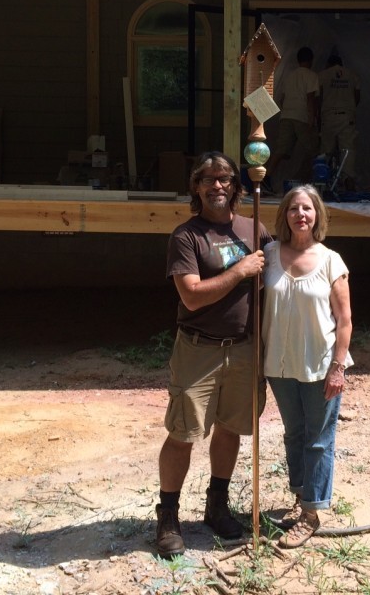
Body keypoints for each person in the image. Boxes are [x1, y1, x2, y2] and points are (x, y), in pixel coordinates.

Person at [156, 150, 273, 558]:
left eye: (225, 178)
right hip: (198, 350)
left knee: (230, 428)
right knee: (183, 434)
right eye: (208, 179)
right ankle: (168, 515)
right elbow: (190, 296)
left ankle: (216, 504)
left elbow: (281, 275)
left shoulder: (254, 228)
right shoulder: (187, 236)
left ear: (237, 187)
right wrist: (240, 271)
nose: (217, 185)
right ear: (196, 188)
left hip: (244, 349)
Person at [261, 184, 353, 548]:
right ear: (285, 214)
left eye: (308, 209)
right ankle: (300, 495)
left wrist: (338, 367)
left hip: (319, 365)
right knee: (294, 433)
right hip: (279, 365)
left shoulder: (331, 260)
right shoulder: (268, 254)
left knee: (318, 439)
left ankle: (312, 513)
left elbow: (344, 320)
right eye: (294, 208)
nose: (301, 214)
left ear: (318, 216)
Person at [265, 46, 320, 187]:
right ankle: (303, 180)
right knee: (314, 151)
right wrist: (312, 119)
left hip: (286, 115)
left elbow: (282, 99)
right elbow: (310, 99)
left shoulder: (289, 76)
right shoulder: (311, 76)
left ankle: (266, 177)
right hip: (302, 116)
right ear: (311, 60)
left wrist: (286, 112)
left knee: (281, 150)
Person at [317, 54, 361, 189]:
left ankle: (322, 183)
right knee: (348, 150)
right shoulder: (352, 74)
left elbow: (319, 97)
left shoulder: (323, 75)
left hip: (329, 116)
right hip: (346, 117)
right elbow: (357, 96)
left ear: (328, 64)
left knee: (326, 151)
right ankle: (348, 181)